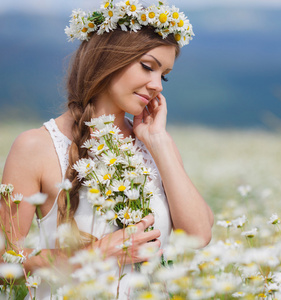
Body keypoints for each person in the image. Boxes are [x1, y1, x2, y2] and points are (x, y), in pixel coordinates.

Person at [0, 1, 213, 298]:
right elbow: (5, 260)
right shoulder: (37, 146)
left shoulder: (155, 144)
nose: (157, 85)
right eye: (148, 67)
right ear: (107, 59)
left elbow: (199, 235)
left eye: (163, 75)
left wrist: (159, 141)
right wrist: (97, 253)